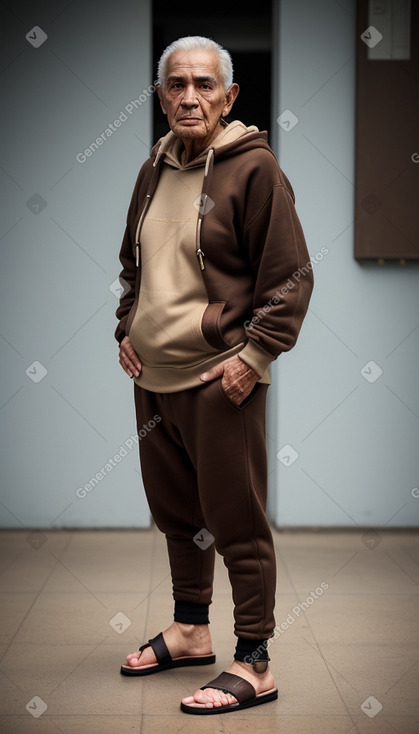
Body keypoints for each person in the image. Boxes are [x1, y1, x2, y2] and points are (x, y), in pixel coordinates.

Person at [115, 35, 313, 715]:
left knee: (236, 523)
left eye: (203, 85)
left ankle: (254, 663)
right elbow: (132, 269)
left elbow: (290, 275)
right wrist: (126, 329)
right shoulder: (152, 170)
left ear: (229, 97)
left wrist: (253, 357)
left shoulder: (255, 170)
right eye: (175, 84)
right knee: (179, 517)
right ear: (161, 95)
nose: (188, 97)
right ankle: (192, 629)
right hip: (154, 380)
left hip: (215, 380)